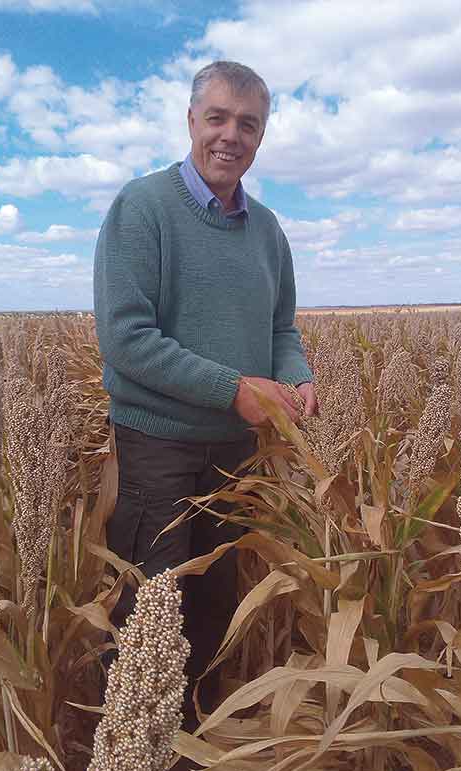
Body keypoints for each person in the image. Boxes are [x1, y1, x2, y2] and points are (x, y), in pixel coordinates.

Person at [93, 61, 317, 726]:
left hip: (235, 455)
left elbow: (281, 329)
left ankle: (190, 745)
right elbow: (127, 340)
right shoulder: (143, 207)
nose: (230, 135)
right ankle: (129, 769)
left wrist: (296, 373)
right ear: (191, 121)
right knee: (149, 619)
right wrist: (233, 390)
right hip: (158, 450)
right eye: (217, 118)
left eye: (247, 124)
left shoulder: (267, 230)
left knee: (215, 606)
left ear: (262, 135)